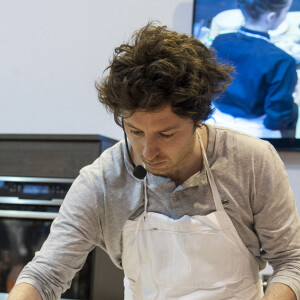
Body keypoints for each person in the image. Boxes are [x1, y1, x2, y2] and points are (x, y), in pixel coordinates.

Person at [8, 23, 300, 300]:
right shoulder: (102, 181)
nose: (148, 152)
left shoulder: (251, 162)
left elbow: (291, 262)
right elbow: (46, 274)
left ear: (198, 119)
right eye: (135, 131)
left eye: (166, 133)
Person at [210, 0, 298, 138]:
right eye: (286, 11)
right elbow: (277, 115)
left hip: (215, 119)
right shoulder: (282, 60)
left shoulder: (219, 40)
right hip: (255, 131)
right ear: (271, 17)